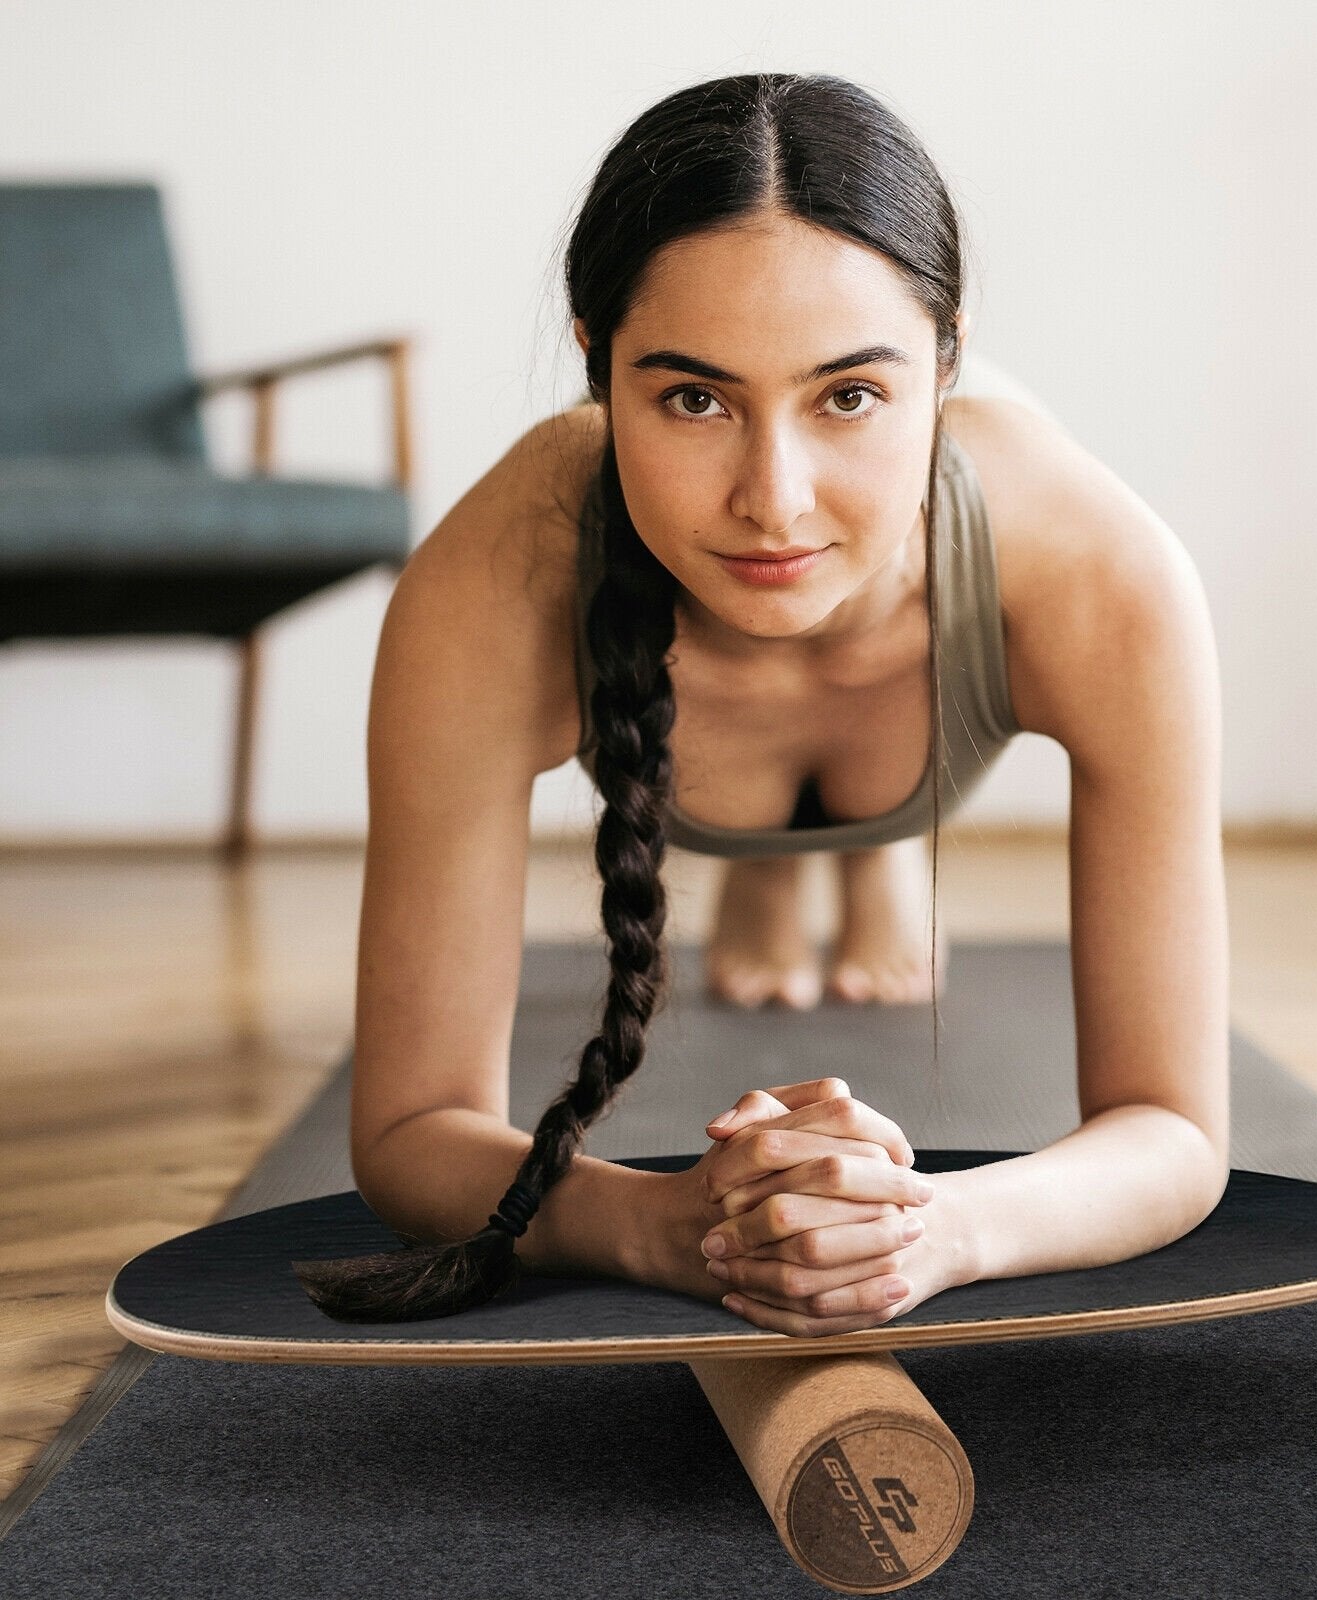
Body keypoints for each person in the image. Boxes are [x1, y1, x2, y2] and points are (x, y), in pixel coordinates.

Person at [294, 72, 1230, 1338]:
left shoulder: (1097, 571)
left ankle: (871, 840)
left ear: (946, 365)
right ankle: (802, 850)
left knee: (864, 794)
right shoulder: (491, 585)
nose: (772, 500)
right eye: (692, 398)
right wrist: (660, 1222)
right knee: (788, 782)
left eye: (850, 395)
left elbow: (1176, 1129)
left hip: (924, 624)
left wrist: (931, 1227)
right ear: (597, 364)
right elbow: (407, 1132)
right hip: (698, 675)